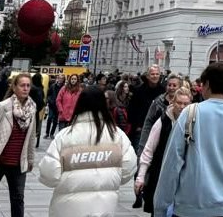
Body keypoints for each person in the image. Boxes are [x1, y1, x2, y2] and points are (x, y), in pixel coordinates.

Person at [153, 62, 223, 217]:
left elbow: (172, 163)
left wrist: (161, 206)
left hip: (188, 206)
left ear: (207, 84)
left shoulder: (190, 113)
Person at [38, 84, 139, 217]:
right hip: (104, 208)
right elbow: (129, 168)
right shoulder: (116, 135)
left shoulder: (65, 136)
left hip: (68, 209)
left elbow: (49, 174)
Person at [0, 72, 40, 217]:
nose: (25, 88)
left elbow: (31, 136)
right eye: (22, 85)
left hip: (19, 163)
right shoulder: (3, 106)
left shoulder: (32, 107)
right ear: (14, 87)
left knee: (18, 200)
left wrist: (30, 159)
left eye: (28, 85)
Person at [137, 82, 192, 213]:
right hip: (161, 173)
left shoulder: (193, 123)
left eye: (186, 104)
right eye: (179, 103)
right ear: (173, 102)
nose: (182, 107)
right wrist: (141, 177)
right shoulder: (163, 121)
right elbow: (148, 150)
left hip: (185, 176)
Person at [128, 65, 167, 150]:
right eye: (152, 74)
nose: (155, 76)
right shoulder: (138, 91)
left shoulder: (163, 91)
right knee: (139, 153)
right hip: (141, 130)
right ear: (148, 76)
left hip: (158, 129)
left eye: (157, 74)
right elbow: (131, 110)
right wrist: (137, 126)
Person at [50, 74, 81, 138]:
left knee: (70, 135)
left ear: (77, 80)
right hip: (63, 115)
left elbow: (81, 102)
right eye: (72, 79)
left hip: (73, 116)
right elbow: (58, 100)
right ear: (70, 80)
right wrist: (61, 110)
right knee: (61, 134)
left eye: (75, 79)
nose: (73, 80)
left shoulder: (79, 90)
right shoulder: (64, 88)